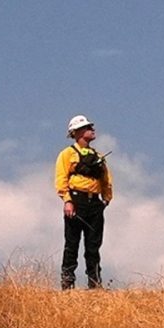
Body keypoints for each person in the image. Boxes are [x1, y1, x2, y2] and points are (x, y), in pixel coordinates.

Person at [55, 113, 112, 289]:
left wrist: (106, 198)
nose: (92, 130)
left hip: (95, 204)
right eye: (88, 128)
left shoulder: (98, 155)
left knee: (93, 245)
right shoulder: (67, 154)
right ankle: (67, 282)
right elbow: (61, 178)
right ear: (78, 132)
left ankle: (95, 283)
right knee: (72, 243)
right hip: (76, 201)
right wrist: (67, 200)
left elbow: (106, 178)